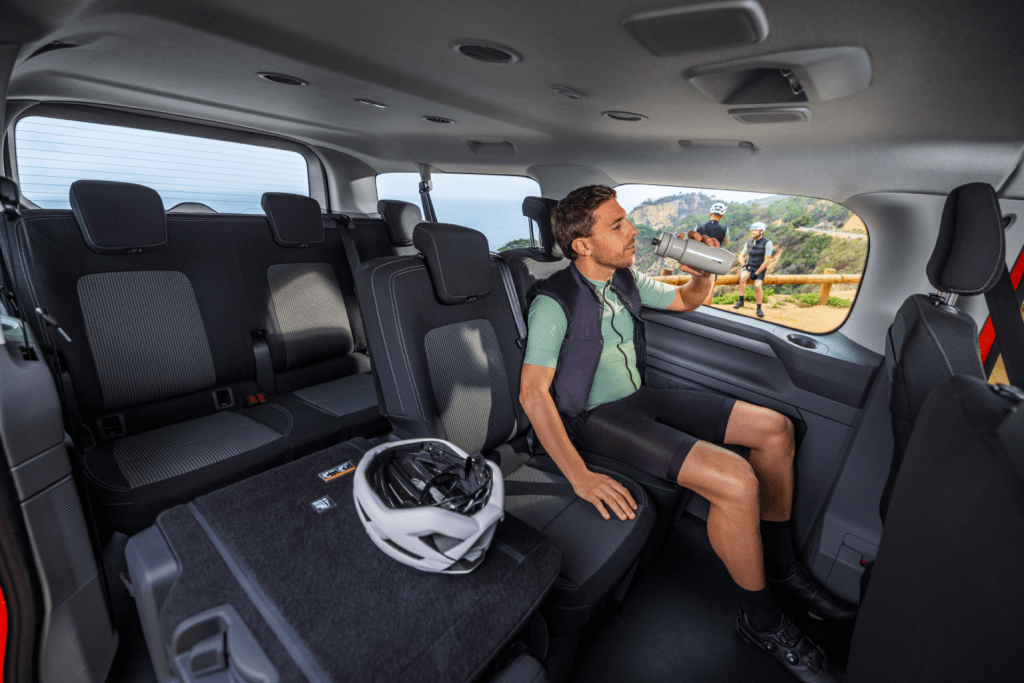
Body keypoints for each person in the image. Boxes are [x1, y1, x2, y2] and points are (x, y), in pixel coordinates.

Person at [519, 186, 852, 683]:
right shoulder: (553, 302)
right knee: (736, 479)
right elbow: (532, 395)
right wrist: (579, 476)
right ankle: (761, 620)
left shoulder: (624, 278)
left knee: (775, 429)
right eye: (617, 225)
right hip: (592, 420)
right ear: (582, 245)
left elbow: (686, 300)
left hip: (641, 399)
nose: (633, 230)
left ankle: (782, 569)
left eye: (627, 219)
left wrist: (702, 272)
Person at [734, 222, 773, 318]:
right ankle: (741, 300)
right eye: (752, 230)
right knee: (743, 276)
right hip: (750, 266)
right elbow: (741, 255)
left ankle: (759, 308)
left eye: (755, 230)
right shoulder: (749, 242)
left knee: (757, 285)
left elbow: (767, 261)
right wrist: (743, 265)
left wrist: (757, 273)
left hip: (760, 268)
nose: (752, 232)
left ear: (761, 231)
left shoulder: (767, 243)